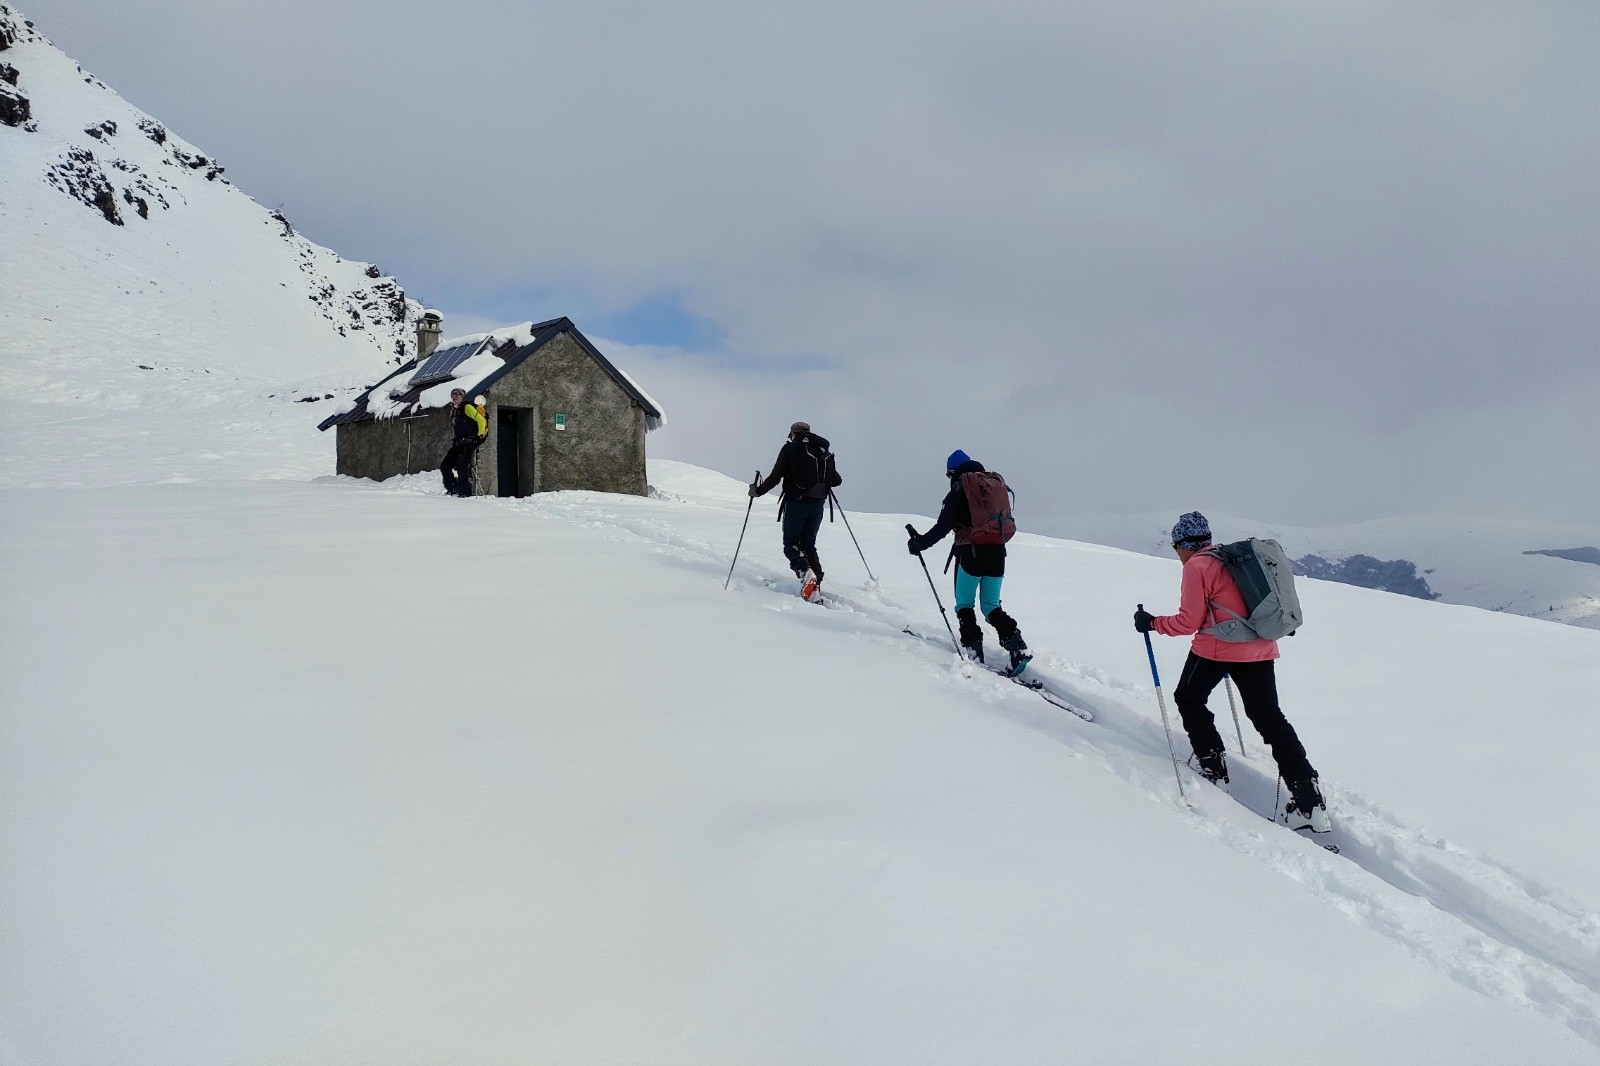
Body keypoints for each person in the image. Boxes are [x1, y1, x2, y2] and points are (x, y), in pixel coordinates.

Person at [1134, 511, 1330, 834]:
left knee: (1188, 697)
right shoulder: (1230, 559)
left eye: (1175, 547)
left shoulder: (1197, 566)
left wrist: (1152, 623)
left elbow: (1188, 622)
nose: (1177, 554)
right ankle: (1310, 800)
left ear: (1185, 544)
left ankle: (1213, 768)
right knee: (1270, 719)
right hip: (1261, 648)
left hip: (1217, 648)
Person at [906, 450, 1030, 674]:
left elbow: (943, 527)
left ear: (953, 472)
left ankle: (973, 653)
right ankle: (1018, 647)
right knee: (991, 606)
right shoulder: (991, 485)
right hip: (998, 553)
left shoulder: (959, 491)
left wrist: (919, 544)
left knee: (964, 605)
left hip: (970, 555)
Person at [749, 421, 842, 601]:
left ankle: (805, 572)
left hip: (796, 502)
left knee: (791, 543)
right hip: (817, 505)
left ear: (793, 433)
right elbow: (836, 480)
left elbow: (776, 477)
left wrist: (757, 491)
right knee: (808, 544)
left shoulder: (790, 449)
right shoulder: (823, 450)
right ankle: (815, 584)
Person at [439, 388, 486, 497]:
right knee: (445, 466)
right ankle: (452, 488)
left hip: (467, 442)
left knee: (462, 466)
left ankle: (464, 492)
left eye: (457, 394)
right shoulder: (454, 411)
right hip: (458, 443)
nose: (454, 396)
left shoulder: (467, 407)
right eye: (452, 395)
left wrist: (479, 436)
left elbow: (481, 420)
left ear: (462, 396)